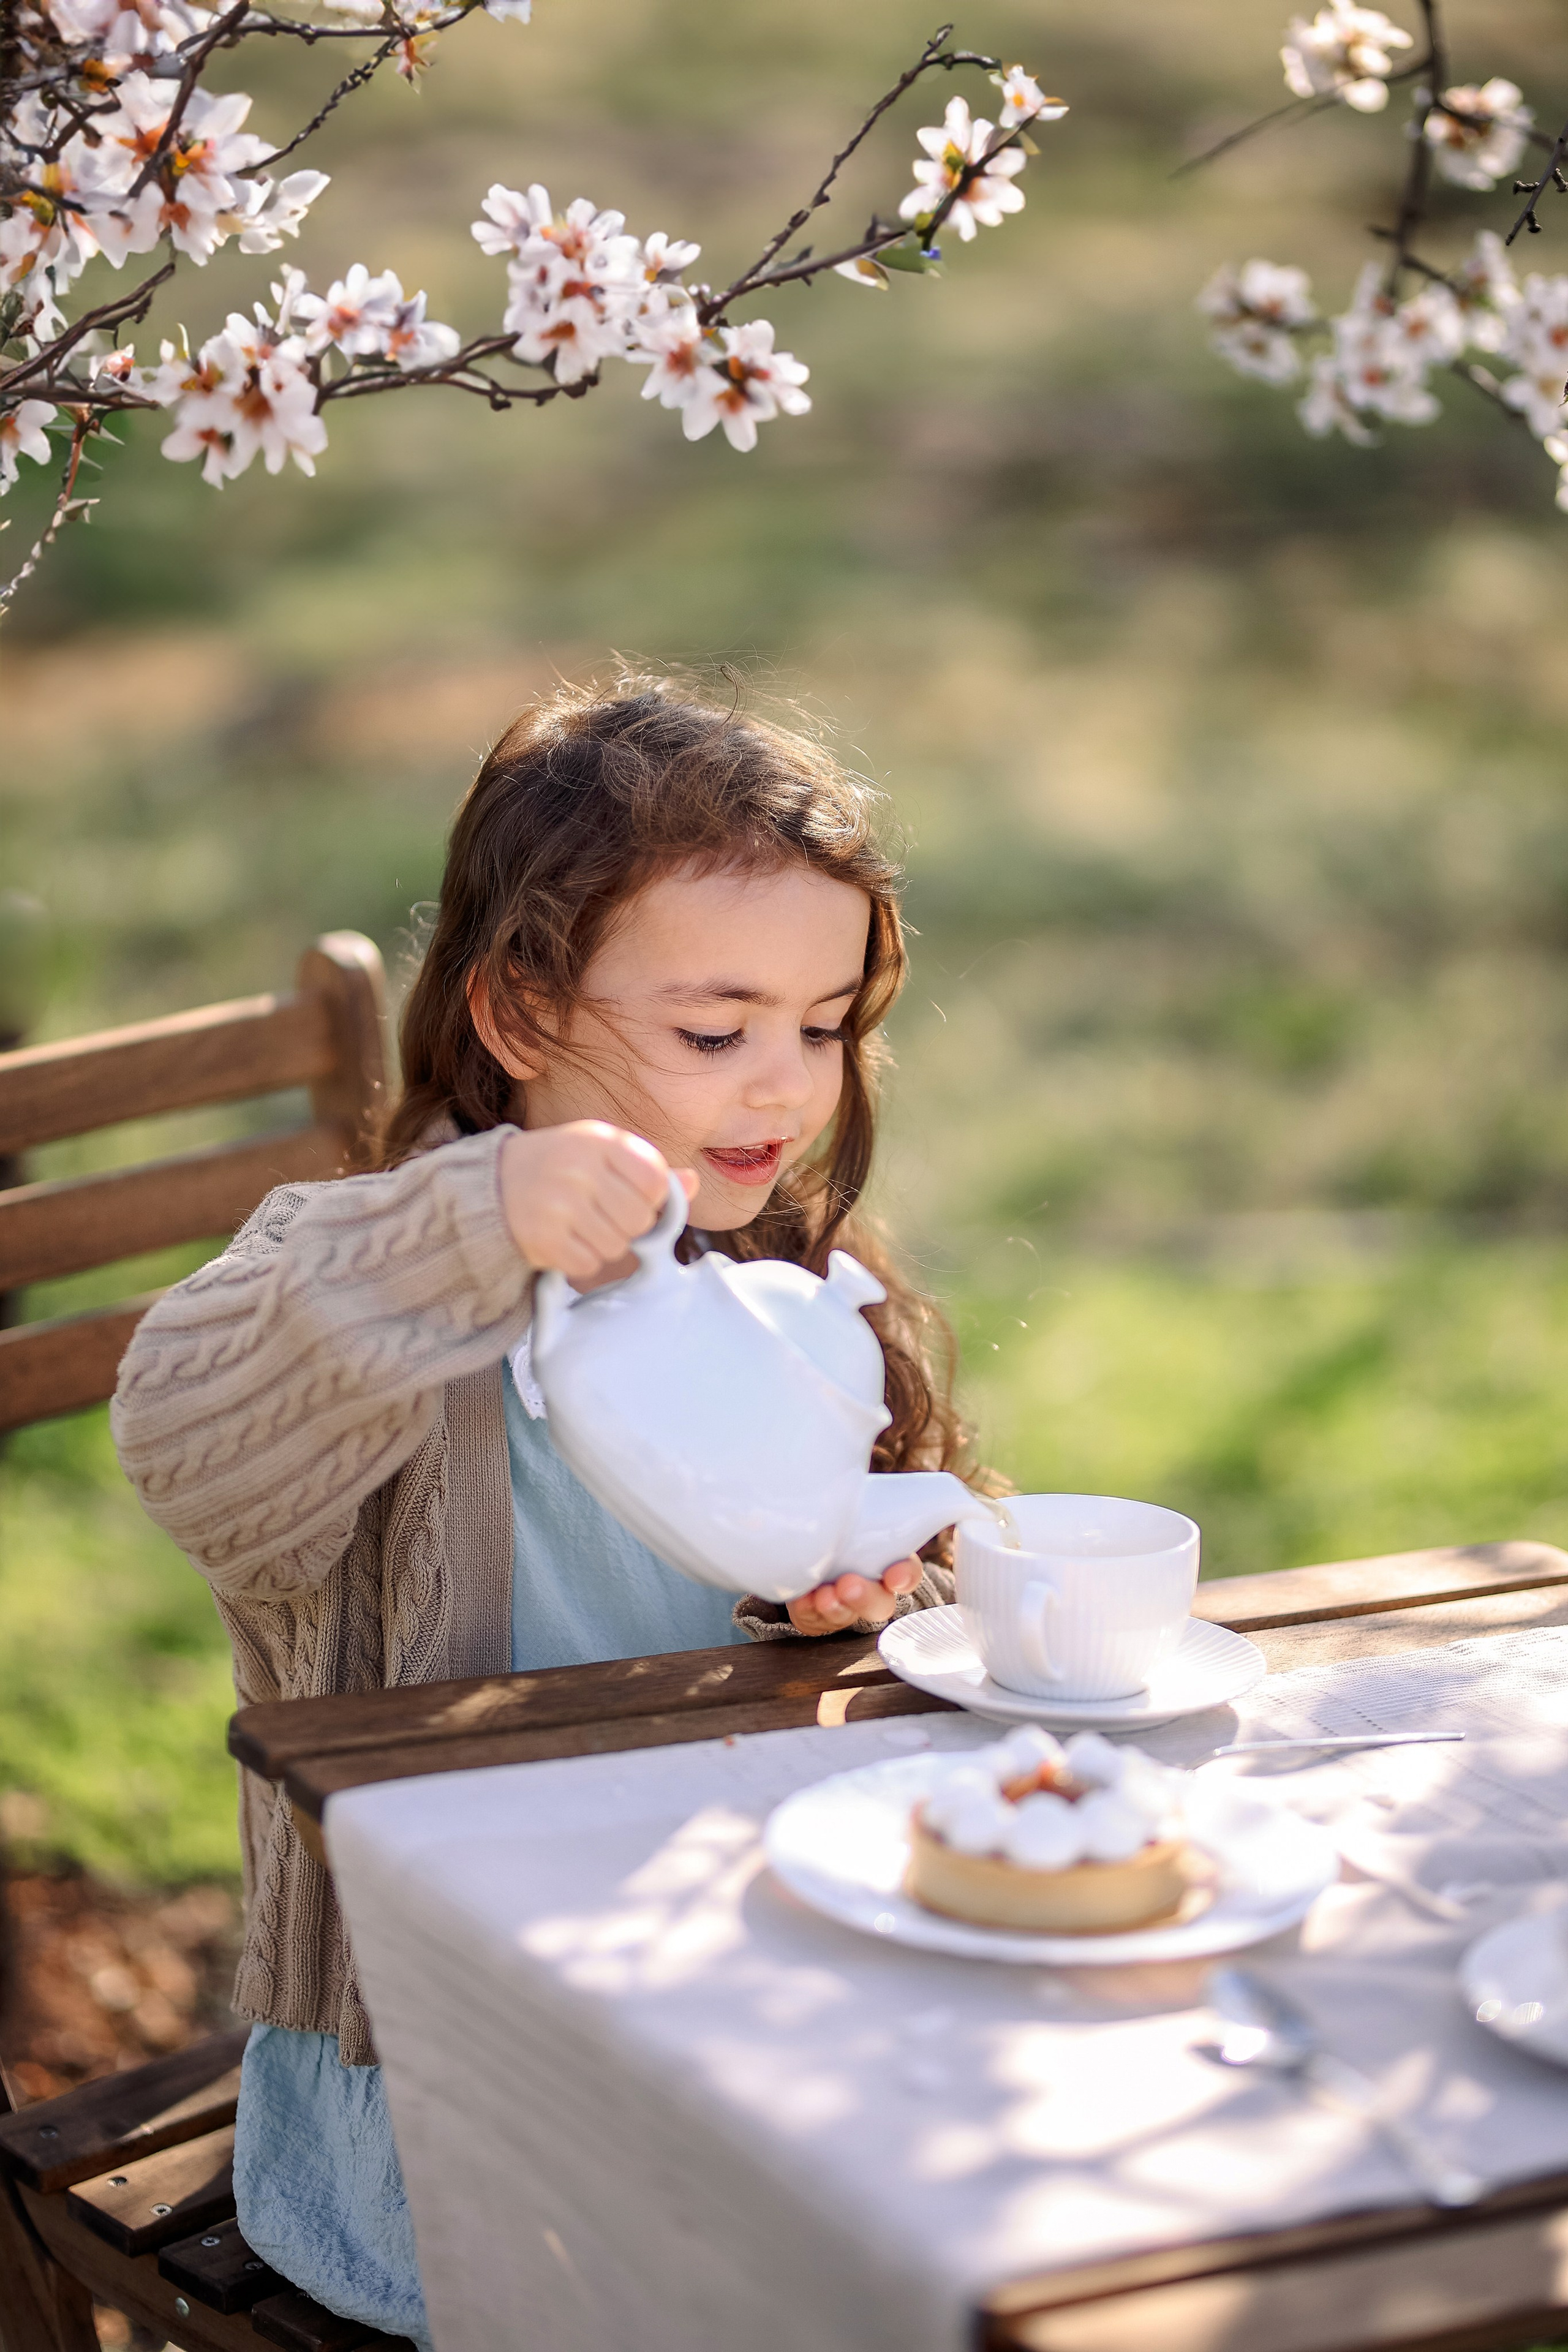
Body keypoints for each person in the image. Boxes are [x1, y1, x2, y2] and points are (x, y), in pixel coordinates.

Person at [111, 675, 993, 2346]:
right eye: (718, 1031)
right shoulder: (381, 1289)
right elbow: (186, 1437)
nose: (788, 1092)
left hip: (739, 1964)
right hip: (449, 2064)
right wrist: (470, 1226)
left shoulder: (783, 1285)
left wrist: (838, 1605)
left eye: (826, 1026)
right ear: (521, 1014)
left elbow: (829, 1618)